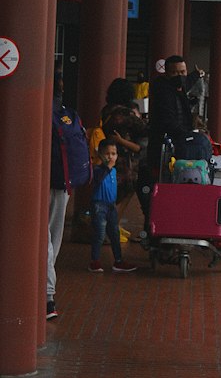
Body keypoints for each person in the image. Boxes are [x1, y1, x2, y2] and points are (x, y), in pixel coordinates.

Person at [48, 73, 92, 319]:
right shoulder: (65, 112)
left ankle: (46, 295)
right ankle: (46, 292)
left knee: (42, 240)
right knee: (53, 238)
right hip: (62, 184)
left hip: (44, 183)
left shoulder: (39, 108)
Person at [139, 55, 193, 227]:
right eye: (175, 72)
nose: (180, 76)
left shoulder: (178, 89)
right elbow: (168, 121)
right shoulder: (163, 90)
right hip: (163, 148)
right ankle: (158, 225)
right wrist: (187, 133)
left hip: (176, 145)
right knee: (161, 186)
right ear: (167, 73)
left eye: (183, 72)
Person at [88, 142, 137, 273]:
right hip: (99, 205)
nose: (110, 157)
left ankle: (118, 261)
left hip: (111, 205)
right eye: (107, 154)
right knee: (99, 234)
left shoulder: (114, 171)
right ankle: (94, 261)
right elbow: (97, 179)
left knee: (114, 234)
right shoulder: (97, 170)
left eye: (113, 154)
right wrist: (107, 167)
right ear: (101, 155)